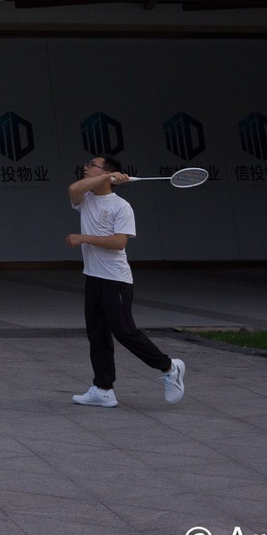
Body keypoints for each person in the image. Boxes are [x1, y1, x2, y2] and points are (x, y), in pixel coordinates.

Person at [65, 153, 186, 409]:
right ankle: (103, 389)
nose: (85, 168)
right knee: (97, 334)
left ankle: (169, 367)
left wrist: (84, 238)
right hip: (93, 277)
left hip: (116, 280)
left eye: (91, 165)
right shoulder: (85, 200)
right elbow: (73, 189)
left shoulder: (121, 206)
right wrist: (107, 176)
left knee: (124, 331)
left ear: (107, 172)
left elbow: (119, 242)